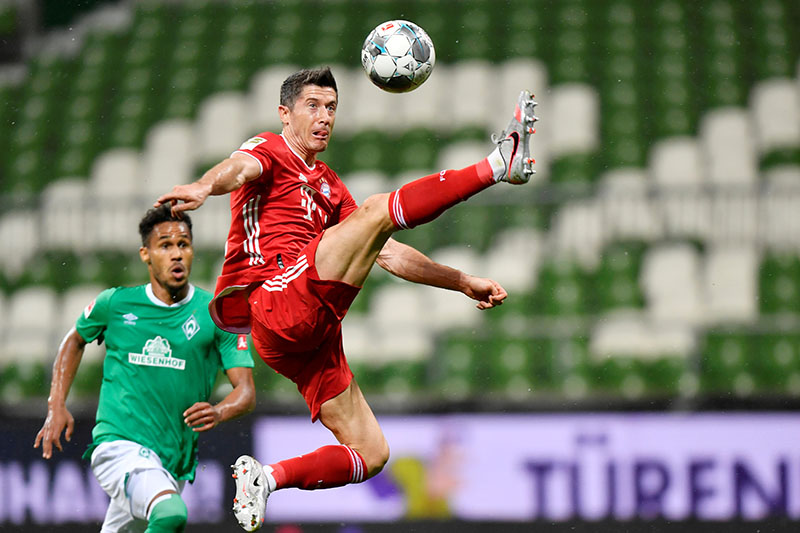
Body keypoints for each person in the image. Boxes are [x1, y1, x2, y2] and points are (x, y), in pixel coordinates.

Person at [155, 66, 537, 531]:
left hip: (306, 335)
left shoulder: (332, 186)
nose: (324, 117)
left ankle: (267, 478)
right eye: (312, 106)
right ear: (285, 113)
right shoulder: (269, 149)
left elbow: (389, 253)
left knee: (372, 453)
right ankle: (499, 165)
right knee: (378, 211)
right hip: (271, 299)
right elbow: (239, 169)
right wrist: (202, 186)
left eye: (331, 108)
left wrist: (459, 280)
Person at [34, 205, 257, 533]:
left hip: (171, 462)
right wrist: (57, 403)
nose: (176, 254)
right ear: (146, 254)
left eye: (183, 244)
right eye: (165, 245)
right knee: (170, 513)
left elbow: (246, 392)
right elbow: (73, 340)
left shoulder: (215, 315)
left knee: (157, 517)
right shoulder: (116, 304)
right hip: (119, 445)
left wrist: (219, 411)